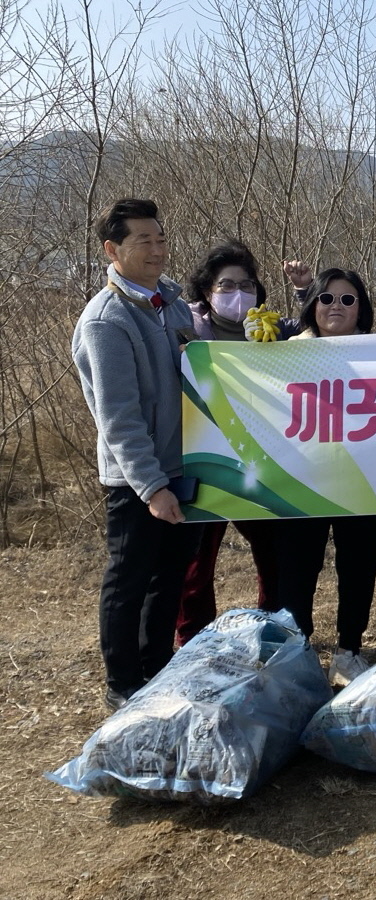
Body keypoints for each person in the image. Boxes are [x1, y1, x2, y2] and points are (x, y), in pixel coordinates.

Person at [72, 199, 202, 709]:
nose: (156, 249)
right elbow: (119, 417)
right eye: (142, 240)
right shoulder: (107, 320)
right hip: (137, 480)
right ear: (113, 249)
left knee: (168, 578)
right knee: (129, 579)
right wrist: (151, 487)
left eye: (160, 238)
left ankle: (157, 670)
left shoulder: (169, 303)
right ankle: (122, 683)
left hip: (180, 465)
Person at [274, 268, 376, 685]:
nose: (335, 307)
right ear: (312, 306)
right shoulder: (283, 354)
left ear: (362, 308)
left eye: (347, 299)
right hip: (302, 481)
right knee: (297, 569)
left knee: (359, 568)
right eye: (326, 299)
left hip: (365, 479)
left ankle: (349, 651)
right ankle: (298, 654)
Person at [175, 241, 280, 645]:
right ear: (207, 291)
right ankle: (193, 641)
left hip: (262, 463)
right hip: (203, 462)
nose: (238, 292)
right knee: (197, 563)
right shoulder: (182, 328)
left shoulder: (271, 331)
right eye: (227, 284)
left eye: (246, 284)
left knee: (273, 555)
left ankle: (273, 630)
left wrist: (307, 293)